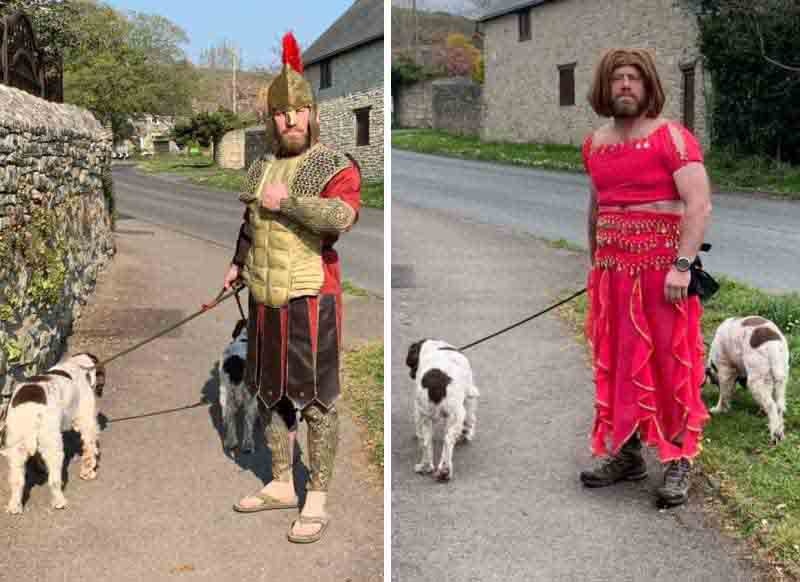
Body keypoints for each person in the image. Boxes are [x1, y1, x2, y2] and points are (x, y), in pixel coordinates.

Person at [222, 32, 361, 542]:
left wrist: (291, 204)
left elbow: (342, 217)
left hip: (312, 298)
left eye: (301, 110)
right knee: (267, 392)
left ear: (313, 113)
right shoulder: (261, 165)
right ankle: (282, 483)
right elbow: (250, 222)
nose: (292, 121)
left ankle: (317, 496)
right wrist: (237, 263)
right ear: (271, 119)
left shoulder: (332, 164)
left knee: (317, 398)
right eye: (283, 113)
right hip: (263, 296)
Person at [578, 48, 712, 507]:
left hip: (664, 276)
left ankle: (679, 460)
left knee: (670, 365)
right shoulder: (595, 143)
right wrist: (595, 263)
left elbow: (699, 204)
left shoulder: (672, 138)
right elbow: (596, 209)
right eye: (618, 78)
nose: (626, 85)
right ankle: (629, 452)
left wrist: (682, 265)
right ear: (605, 87)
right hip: (613, 277)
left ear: (648, 85)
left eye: (635, 78)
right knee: (617, 363)